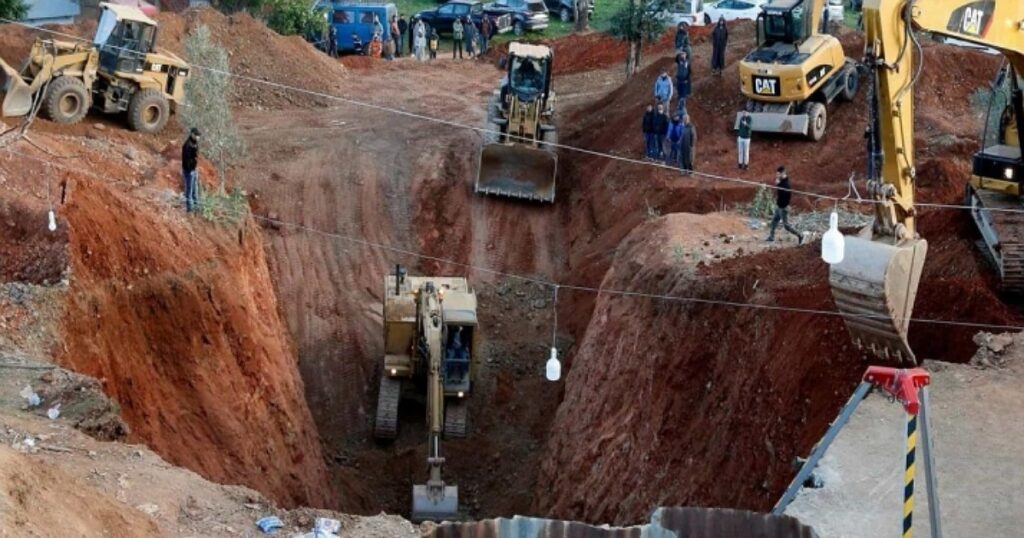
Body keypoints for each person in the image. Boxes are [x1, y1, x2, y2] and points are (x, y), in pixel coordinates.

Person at [767, 166, 803, 243]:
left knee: (787, 226)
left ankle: (800, 235)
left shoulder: (786, 184)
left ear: (782, 173)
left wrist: (778, 185)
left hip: (783, 208)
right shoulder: (782, 182)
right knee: (774, 221)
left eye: (778, 174)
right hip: (779, 206)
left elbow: (785, 196)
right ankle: (771, 236)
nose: (777, 176)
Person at [181, 128, 200, 213]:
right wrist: (191, 170)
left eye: (198, 136)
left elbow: (194, 157)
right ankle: (190, 209)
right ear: (192, 134)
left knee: (195, 188)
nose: (198, 137)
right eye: (196, 135)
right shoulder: (188, 145)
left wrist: (195, 168)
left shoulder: (194, 143)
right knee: (189, 189)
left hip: (194, 169)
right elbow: (187, 160)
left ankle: (197, 206)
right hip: (189, 171)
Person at [675, 51, 692, 116]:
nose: (683, 55)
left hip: (685, 81)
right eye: (682, 54)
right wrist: (679, 53)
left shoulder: (688, 62)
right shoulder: (679, 61)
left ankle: (683, 109)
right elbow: (676, 59)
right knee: (679, 94)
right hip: (679, 81)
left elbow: (690, 72)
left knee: (683, 96)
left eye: (684, 54)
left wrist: (687, 80)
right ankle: (678, 107)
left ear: (686, 55)